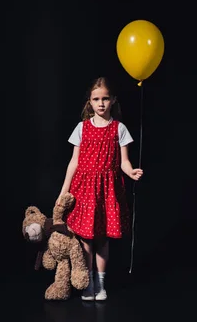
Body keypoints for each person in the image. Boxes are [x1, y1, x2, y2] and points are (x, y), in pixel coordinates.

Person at [56, 76, 143, 301]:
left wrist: (131, 172)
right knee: (86, 238)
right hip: (84, 190)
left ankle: (101, 284)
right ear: (90, 102)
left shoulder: (119, 128)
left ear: (113, 100)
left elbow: (124, 161)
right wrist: (64, 190)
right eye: (96, 99)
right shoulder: (82, 128)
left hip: (107, 190)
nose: (101, 103)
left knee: (102, 238)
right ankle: (88, 283)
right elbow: (73, 161)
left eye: (105, 98)